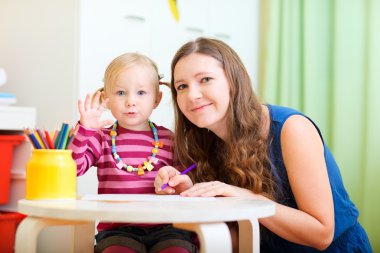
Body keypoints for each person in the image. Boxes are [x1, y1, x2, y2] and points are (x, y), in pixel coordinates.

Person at [154, 37, 372, 252]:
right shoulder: (203, 146)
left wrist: (248, 199)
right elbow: (242, 240)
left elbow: (322, 234)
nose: (192, 95)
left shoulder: (292, 128)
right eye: (181, 86)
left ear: (234, 81)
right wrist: (191, 199)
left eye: (205, 79)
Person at [70, 52, 198, 253]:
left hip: (168, 229)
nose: (131, 101)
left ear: (156, 99)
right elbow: (72, 169)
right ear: (106, 99)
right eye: (121, 93)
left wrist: (177, 183)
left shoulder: (170, 139)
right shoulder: (101, 138)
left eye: (141, 93)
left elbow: (186, 184)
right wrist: (85, 130)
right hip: (117, 231)